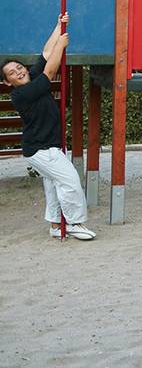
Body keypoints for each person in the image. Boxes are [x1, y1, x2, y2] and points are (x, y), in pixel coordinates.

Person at [1, 13, 96, 241]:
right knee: (70, 181)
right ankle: (73, 222)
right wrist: (62, 46)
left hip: (44, 147)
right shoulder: (21, 94)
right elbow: (51, 71)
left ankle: (56, 225)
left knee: (54, 185)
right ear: (7, 83)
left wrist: (58, 26)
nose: (19, 72)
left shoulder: (31, 77)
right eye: (12, 73)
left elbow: (45, 54)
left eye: (19, 67)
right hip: (42, 149)